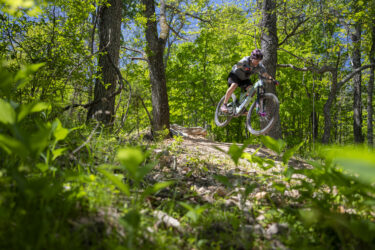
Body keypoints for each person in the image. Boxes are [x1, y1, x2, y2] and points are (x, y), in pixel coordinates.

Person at [220, 49, 278, 114]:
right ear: (252, 58)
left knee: (252, 90)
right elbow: (238, 65)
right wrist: (244, 66)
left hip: (244, 79)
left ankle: (242, 106)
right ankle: (224, 105)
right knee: (234, 85)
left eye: (259, 61)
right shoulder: (245, 60)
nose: (257, 62)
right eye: (256, 60)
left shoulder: (259, 66)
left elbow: (265, 74)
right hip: (235, 75)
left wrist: (273, 80)